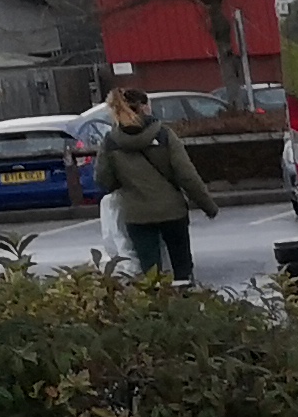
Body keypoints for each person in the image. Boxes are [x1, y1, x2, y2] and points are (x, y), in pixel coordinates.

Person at [91, 84, 219, 280]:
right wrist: (208, 206)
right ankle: (184, 292)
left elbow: (103, 178)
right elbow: (186, 175)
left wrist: (126, 186)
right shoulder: (163, 134)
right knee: (182, 266)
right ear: (144, 107)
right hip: (172, 211)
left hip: (137, 215)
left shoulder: (111, 141)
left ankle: (156, 297)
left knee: (151, 271)